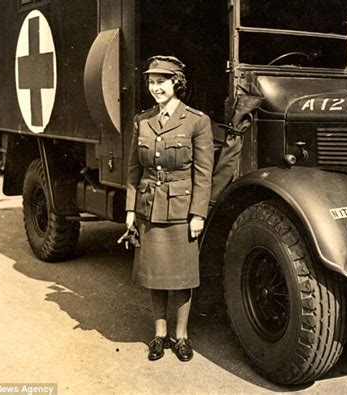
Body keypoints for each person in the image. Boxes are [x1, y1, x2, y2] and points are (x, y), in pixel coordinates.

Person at [125, 55, 214, 362]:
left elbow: (203, 173)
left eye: (161, 82)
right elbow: (134, 171)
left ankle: (182, 337)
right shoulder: (142, 121)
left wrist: (198, 214)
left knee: (183, 277)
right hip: (149, 208)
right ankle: (159, 335)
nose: (155, 88)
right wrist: (130, 212)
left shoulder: (196, 121)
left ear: (176, 83)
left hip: (181, 207)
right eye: (151, 82)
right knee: (155, 275)